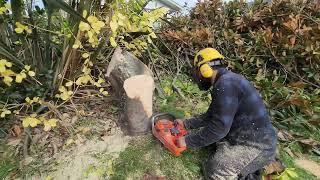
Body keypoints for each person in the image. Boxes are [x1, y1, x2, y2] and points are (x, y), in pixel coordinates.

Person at [176, 48, 277, 180]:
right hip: (248, 137)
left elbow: (219, 129)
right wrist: (186, 124)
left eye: (197, 70)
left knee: (215, 169)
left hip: (257, 147)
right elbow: (212, 115)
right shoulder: (227, 81)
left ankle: (248, 171)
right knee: (214, 144)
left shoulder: (225, 84)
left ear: (204, 69)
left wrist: (187, 141)